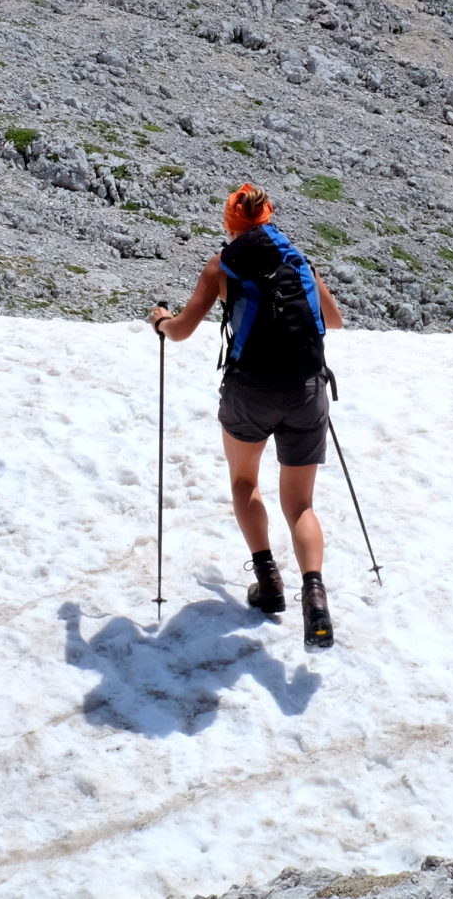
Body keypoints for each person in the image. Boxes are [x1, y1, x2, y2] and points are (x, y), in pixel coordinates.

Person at [149, 183, 345, 649]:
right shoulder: (296, 258)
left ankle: (268, 580)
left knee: (244, 483)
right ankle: (314, 593)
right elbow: (333, 320)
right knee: (300, 504)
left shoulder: (222, 265)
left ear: (229, 222)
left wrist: (159, 319)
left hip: (250, 391)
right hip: (306, 389)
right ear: (268, 218)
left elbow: (180, 332)